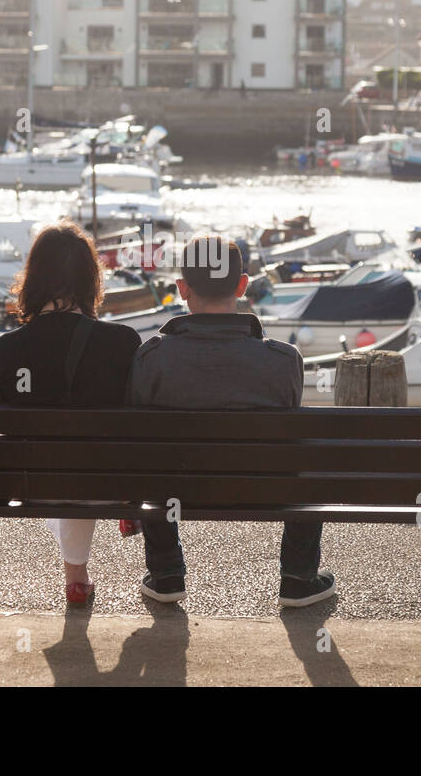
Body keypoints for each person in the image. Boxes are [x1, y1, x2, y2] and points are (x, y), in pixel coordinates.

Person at [128, 235, 336, 608]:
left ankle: (166, 573)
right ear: (242, 285)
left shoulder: (151, 358)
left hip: (176, 489)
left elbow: (139, 440)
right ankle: (298, 577)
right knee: (308, 454)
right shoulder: (284, 359)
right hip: (265, 490)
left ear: (181, 289)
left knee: (150, 457)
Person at [0, 222, 142, 606]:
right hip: (111, 484)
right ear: (91, 281)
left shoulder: (5, 349)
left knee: (63, 462)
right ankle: (82, 574)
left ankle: (76, 578)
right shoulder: (123, 342)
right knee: (83, 460)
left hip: (31, 484)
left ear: (32, 278)